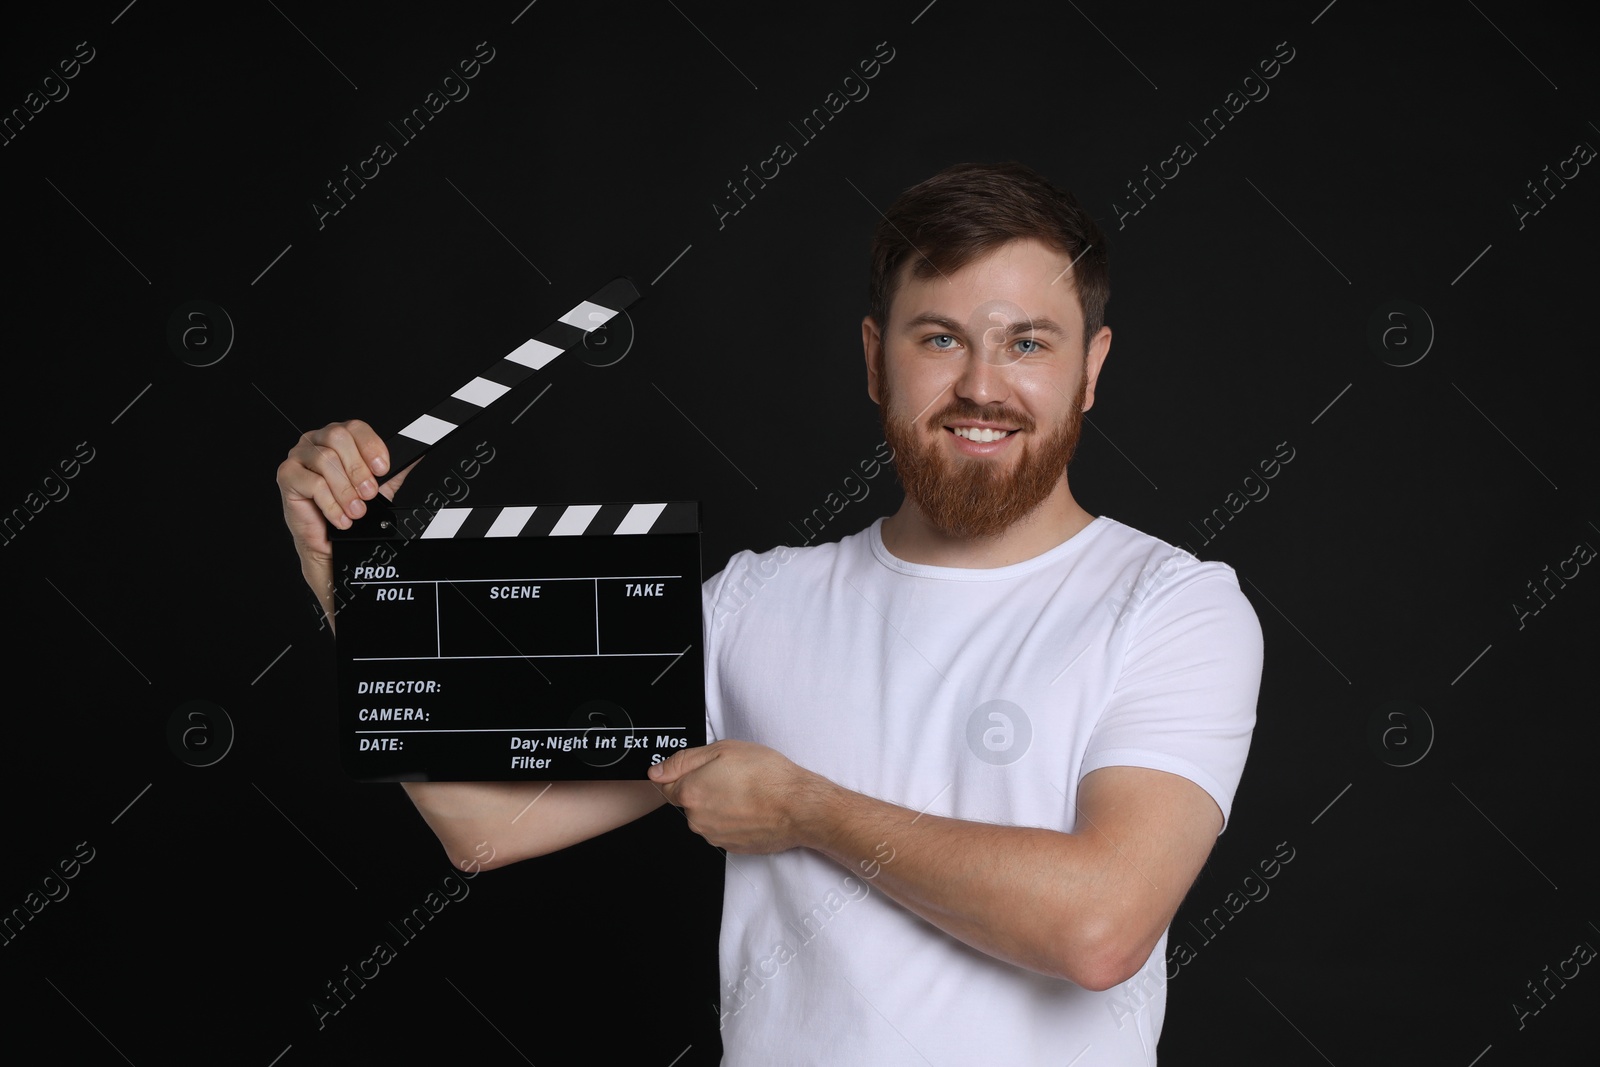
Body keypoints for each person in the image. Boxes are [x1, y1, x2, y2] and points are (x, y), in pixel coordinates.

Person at [277, 161, 1263, 1065]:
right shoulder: (758, 601)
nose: (978, 384)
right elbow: (484, 826)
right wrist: (348, 575)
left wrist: (807, 810)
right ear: (876, 358)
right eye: (940, 337)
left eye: (1026, 343)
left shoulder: (1170, 605)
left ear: (1090, 366)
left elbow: (1099, 927)